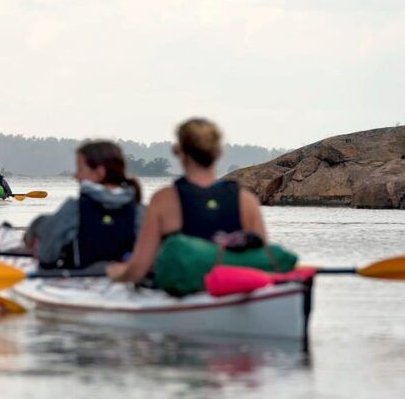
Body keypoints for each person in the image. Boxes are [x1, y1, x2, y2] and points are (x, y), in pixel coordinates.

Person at [107, 118, 266, 283]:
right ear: (219, 152)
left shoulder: (163, 200)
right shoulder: (246, 200)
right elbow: (264, 260)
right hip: (229, 288)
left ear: (178, 151)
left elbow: (139, 268)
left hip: (184, 290)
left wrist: (116, 275)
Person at [35, 140, 144, 269]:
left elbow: (46, 256)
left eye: (80, 169)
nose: (76, 176)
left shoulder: (72, 209)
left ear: (99, 173)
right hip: (124, 278)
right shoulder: (141, 211)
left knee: (41, 223)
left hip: (79, 276)